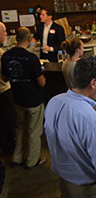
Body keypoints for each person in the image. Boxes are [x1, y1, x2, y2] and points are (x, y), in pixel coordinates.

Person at [44, 55, 96, 198]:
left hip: (66, 183)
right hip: (89, 190)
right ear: (93, 83)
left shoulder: (54, 102)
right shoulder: (90, 119)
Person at [1, 27, 46, 169]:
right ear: (28, 39)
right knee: (34, 131)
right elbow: (41, 82)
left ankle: (17, 157)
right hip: (33, 100)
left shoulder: (6, 56)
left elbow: (4, 77)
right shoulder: (31, 58)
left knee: (20, 128)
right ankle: (32, 160)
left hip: (17, 98)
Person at [0, 22, 16, 155]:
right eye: (4, 31)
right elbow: (5, 77)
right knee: (7, 122)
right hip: (3, 92)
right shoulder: (1, 54)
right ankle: (9, 151)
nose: (6, 34)